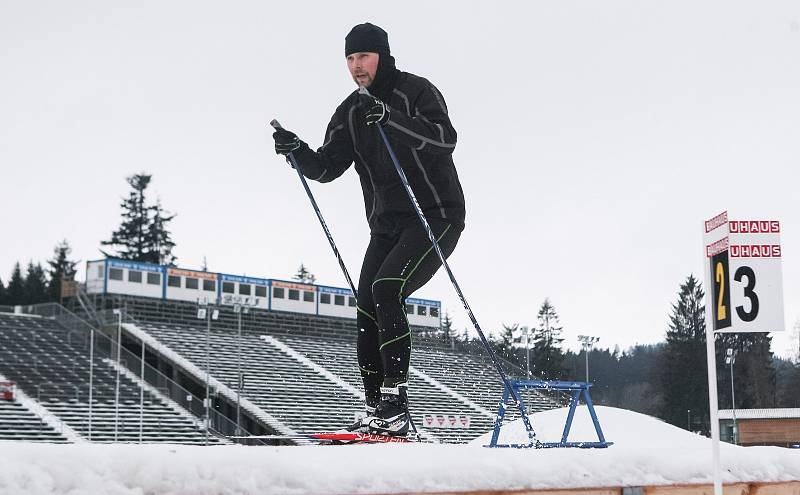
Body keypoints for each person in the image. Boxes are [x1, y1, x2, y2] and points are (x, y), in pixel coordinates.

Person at [273, 23, 465, 436]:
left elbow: (444, 140)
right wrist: (297, 153)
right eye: (350, 59)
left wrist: (391, 119)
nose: (357, 66)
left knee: (386, 288)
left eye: (364, 56)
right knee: (366, 302)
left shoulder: (416, 91)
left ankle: (396, 403)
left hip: (436, 214)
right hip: (387, 225)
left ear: (382, 56)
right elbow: (326, 167)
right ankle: (376, 405)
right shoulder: (350, 112)